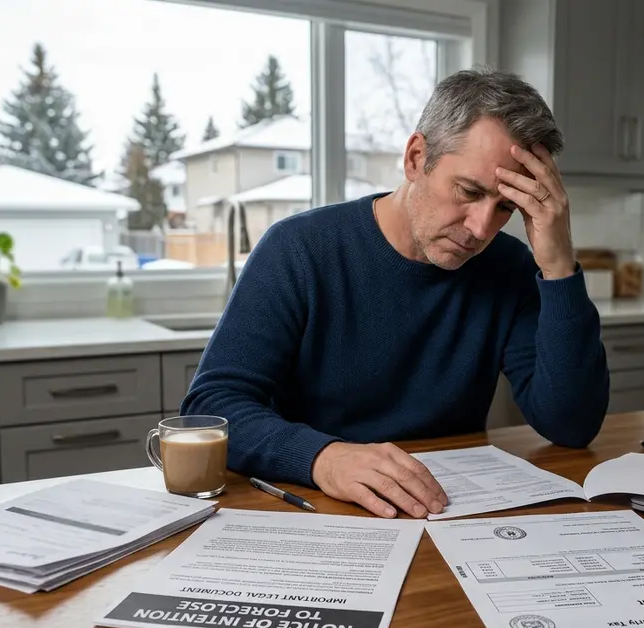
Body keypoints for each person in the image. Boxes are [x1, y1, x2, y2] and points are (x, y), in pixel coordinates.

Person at [182, 66, 610, 519]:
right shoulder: (298, 250)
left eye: (506, 206)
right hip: (315, 510)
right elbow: (211, 408)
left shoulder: (509, 268)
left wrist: (559, 265)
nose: (481, 228)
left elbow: (571, 425)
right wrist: (323, 457)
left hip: (444, 513)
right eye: (468, 191)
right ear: (415, 157)